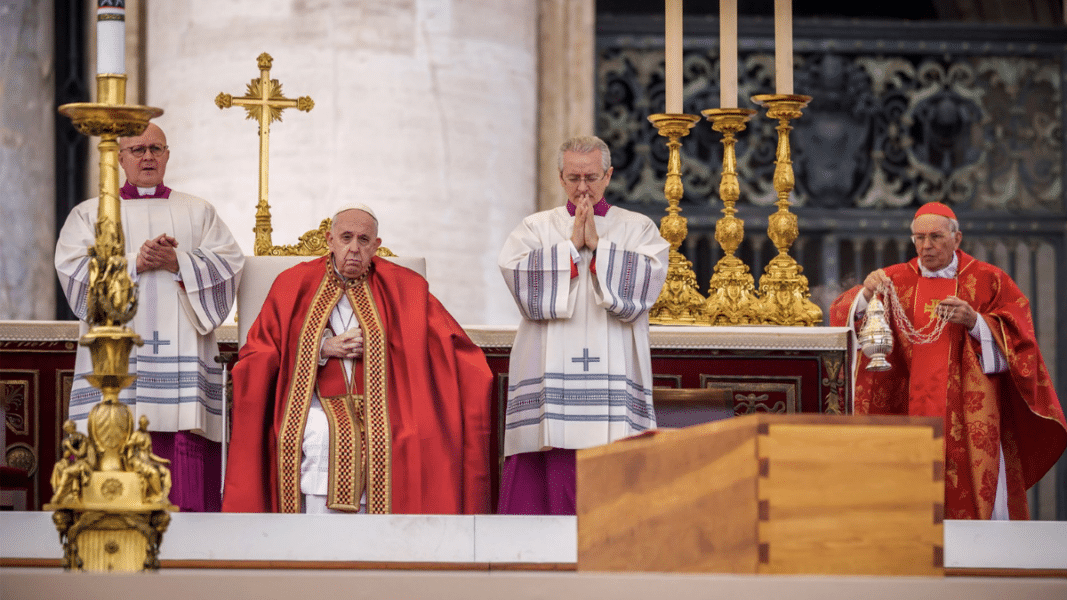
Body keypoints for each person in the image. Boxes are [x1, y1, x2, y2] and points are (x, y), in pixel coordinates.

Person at [222, 205, 492, 514]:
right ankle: (314, 532)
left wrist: (391, 348)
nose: (353, 248)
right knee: (322, 433)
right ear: (330, 240)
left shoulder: (405, 288)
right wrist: (320, 348)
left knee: (406, 436)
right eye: (346, 237)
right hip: (314, 401)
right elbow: (259, 351)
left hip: (389, 403)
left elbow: (447, 343)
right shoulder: (293, 284)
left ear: (376, 246)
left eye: (363, 240)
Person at [830, 202, 1067, 520]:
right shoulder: (893, 281)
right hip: (906, 410)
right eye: (918, 238)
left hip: (969, 415)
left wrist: (977, 323)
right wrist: (864, 295)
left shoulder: (988, 280)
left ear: (957, 238)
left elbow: (1021, 343)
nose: (926, 246)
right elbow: (844, 319)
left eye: (936, 237)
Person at [55, 123, 244, 512]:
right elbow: (72, 271)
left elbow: (230, 265)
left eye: (156, 148)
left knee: (180, 436)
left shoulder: (198, 211)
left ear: (168, 155)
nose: (147, 156)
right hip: (116, 355)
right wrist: (134, 263)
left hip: (182, 354)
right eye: (137, 150)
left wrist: (180, 262)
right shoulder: (90, 214)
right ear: (119, 158)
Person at [497, 135, 669, 515]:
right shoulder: (535, 228)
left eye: (591, 177)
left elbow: (647, 286)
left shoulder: (637, 228)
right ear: (560, 177)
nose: (582, 188)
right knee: (549, 450)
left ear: (608, 176)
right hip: (550, 370)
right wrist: (572, 250)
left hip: (614, 371)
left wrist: (599, 250)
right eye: (573, 177)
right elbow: (518, 279)